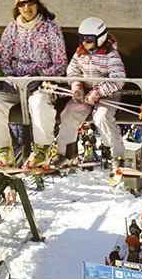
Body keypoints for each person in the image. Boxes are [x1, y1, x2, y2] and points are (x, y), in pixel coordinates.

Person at [0, 0, 67, 168]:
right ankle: (4, 149)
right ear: (17, 7)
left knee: (38, 104)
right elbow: (2, 60)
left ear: (38, 5)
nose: (27, 8)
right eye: (22, 4)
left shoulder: (50, 29)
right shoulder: (12, 30)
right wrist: (10, 76)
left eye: (31, 3)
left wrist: (40, 75)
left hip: (40, 83)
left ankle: (41, 149)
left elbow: (60, 63)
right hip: (16, 84)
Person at [53, 17, 127, 168]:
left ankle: (116, 155)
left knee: (102, 117)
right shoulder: (80, 53)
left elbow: (118, 80)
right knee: (69, 113)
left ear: (100, 38)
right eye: (82, 39)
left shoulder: (111, 55)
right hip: (85, 93)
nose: (85, 43)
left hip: (108, 94)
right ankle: (66, 153)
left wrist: (97, 93)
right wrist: (77, 86)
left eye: (89, 39)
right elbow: (72, 70)